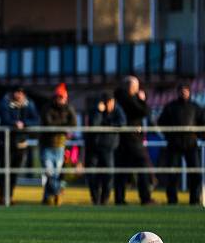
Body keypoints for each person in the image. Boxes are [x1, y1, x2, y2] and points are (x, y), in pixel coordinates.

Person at [157, 82, 204, 205]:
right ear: (177, 92)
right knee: (173, 174)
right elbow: (161, 123)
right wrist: (170, 136)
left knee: (195, 173)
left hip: (191, 144)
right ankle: (172, 200)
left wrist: (198, 135)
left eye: (186, 90)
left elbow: (202, 122)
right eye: (181, 90)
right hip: (174, 145)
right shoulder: (170, 107)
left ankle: (194, 200)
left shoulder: (195, 107)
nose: (183, 93)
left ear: (189, 92)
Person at [114, 76, 154, 205]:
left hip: (123, 140)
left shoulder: (119, 98)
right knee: (143, 166)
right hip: (132, 140)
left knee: (122, 171)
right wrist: (142, 100)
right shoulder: (128, 98)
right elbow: (144, 111)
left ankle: (120, 199)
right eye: (135, 87)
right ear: (130, 87)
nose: (137, 89)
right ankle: (145, 197)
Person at [0, 87, 39, 205]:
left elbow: (36, 119)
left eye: (21, 93)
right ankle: (2, 196)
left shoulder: (29, 104)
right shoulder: (4, 103)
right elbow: (4, 119)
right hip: (5, 143)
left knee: (14, 172)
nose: (19, 95)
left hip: (21, 143)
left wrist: (24, 123)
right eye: (17, 92)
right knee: (4, 171)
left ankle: (9, 196)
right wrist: (15, 123)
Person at [39, 83, 77, 206]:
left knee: (55, 173)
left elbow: (73, 124)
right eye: (59, 97)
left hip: (60, 145)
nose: (61, 100)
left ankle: (47, 198)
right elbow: (49, 125)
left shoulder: (68, 108)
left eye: (63, 97)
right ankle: (57, 192)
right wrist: (64, 127)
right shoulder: (47, 108)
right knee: (50, 172)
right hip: (46, 145)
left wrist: (61, 127)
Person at [86, 92, 125, 205]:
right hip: (93, 148)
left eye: (112, 102)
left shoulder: (117, 110)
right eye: (108, 103)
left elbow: (121, 123)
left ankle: (105, 199)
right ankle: (95, 199)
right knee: (92, 174)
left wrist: (106, 124)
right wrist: (99, 112)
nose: (111, 105)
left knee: (108, 174)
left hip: (109, 147)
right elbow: (94, 124)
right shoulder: (95, 110)